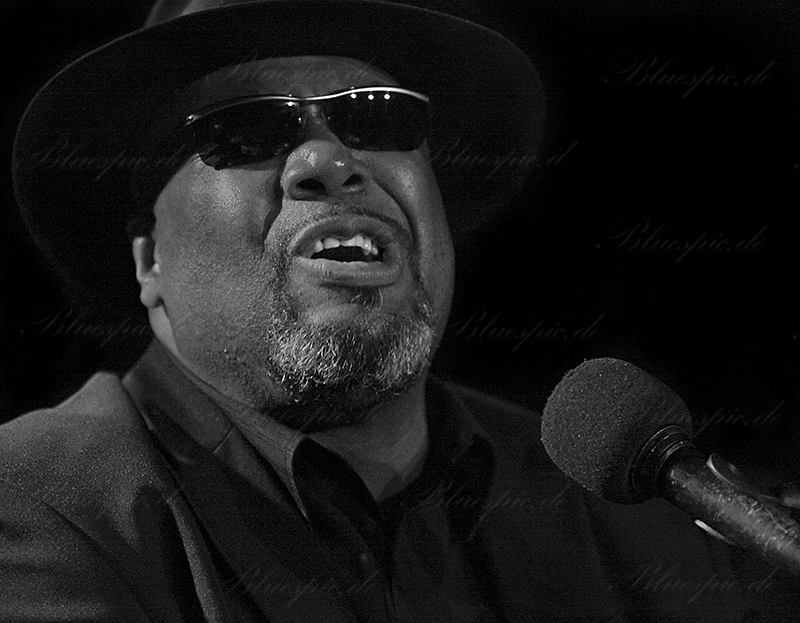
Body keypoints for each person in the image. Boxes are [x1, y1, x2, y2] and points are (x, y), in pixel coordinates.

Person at [2, 0, 798, 621]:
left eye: (377, 116)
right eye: (244, 129)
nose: (327, 159)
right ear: (150, 258)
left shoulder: (625, 510)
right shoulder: (36, 507)